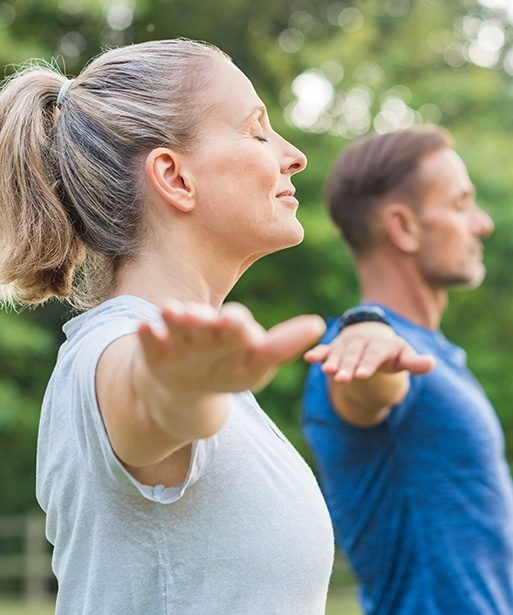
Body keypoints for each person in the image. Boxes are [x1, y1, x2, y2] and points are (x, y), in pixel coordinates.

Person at [0, 39, 337, 614]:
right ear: (176, 178)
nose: (293, 155)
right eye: (257, 131)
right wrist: (181, 387)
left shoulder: (196, 367)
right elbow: (150, 399)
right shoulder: (113, 352)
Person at [302, 126, 513, 614]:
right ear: (404, 227)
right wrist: (366, 333)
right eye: (461, 204)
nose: (482, 224)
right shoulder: (359, 352)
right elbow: (370, 383)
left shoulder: (434, 354)